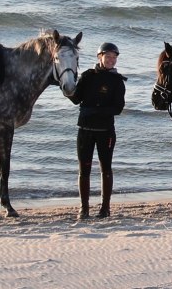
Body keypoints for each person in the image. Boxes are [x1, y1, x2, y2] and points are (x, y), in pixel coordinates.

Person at [67, 42, 126, 219]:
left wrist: (94, 110)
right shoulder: (87, 76)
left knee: (106, 168)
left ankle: (105, 208)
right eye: (108, 57)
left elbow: (118, 108)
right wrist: (68, 88)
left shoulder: (117, 81)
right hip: (85, 130)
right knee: (84, 169)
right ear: (99, 57)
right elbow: (76, 99)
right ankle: (84, 208)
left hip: (106, 131)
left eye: (114, 58)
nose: (111, 60)